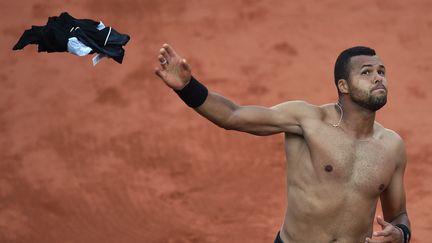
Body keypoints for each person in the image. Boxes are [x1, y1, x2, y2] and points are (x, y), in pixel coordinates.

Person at [154, 44, 411, 243]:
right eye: (366, 72)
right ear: (343, 85)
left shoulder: (391, 147)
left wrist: (400, 234)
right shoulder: (307, 120)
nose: (378, 78)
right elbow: (233, 116)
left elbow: (398, 215)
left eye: (381, 72)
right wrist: (188, 87)